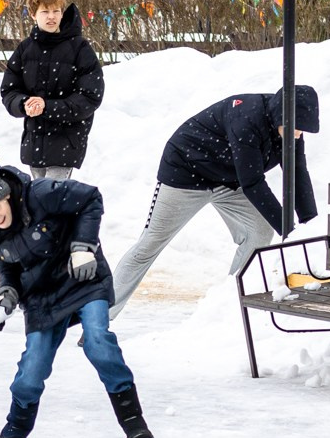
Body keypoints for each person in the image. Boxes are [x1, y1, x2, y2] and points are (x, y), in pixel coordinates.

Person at [0, 165, 153, 438]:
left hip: (83, 278)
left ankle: (133, 420)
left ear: (6, 194)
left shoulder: (40, 194)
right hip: (41, 297)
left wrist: (83, 248)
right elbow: (8, 272)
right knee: (34, 365)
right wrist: (6, 298)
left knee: (98, 341)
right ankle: (17, 425)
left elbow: (90, 198)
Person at [111, 87, 319, 311]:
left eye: (302, 130)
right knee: (149, 244)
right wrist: (290, 232)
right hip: (185, 173)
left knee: (259, 232)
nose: (299, 134)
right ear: (283, 117)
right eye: (297, 129)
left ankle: (229, 304)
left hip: (229, 180)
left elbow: (297, 172)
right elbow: (253, 183)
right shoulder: (246, 119)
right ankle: (100, 318)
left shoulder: (289, 128)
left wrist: (311, 226)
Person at [0, 0, 104, 181]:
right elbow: (9, 91)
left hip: (67, 141)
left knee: (53, 200)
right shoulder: (25, 49)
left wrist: (48, 106)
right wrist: (24, 104)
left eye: (56, 10)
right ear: (33, 15)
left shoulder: (80, 48)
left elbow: (90, 97)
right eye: (45, 11)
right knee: (39, 201)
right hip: (34, 142)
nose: (51, 16)